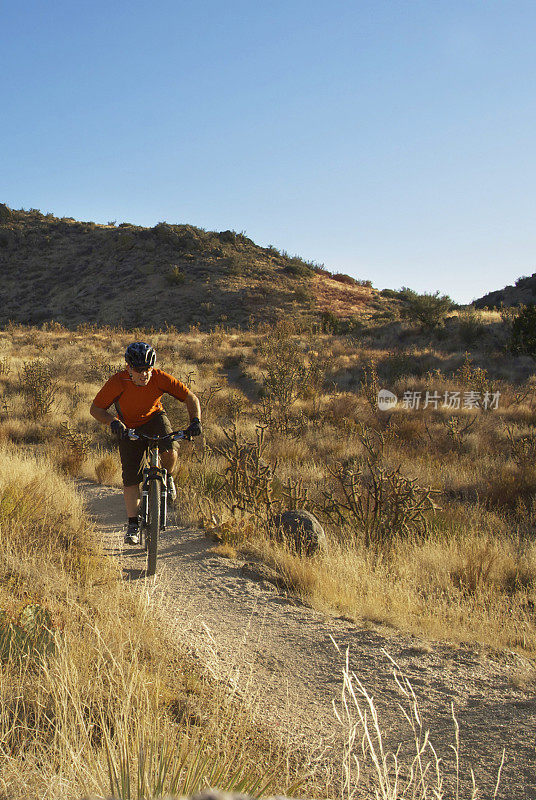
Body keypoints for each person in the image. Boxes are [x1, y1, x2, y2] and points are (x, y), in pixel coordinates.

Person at [90, 341, 202, 545]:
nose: (145, 374)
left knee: (170, 448)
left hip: (154, 418)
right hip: (128, 426)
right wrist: (113, 421)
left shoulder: (159, 378)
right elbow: (96, 409)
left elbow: (191, 398)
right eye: (139, 370)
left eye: (148, 369)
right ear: (128, 368)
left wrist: (195, 421)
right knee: (131, 477)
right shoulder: (117, 382)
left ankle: (167, 477)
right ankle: (133, 523)